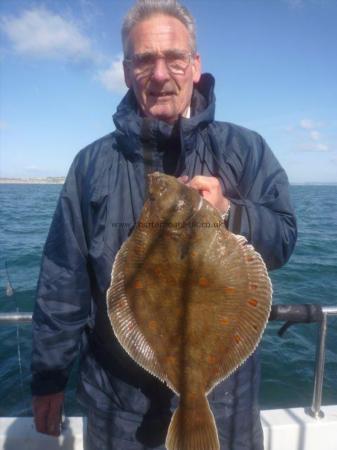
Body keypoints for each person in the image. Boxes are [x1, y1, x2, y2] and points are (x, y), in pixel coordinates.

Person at [31, 1, 297, 449]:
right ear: (126, 71)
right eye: (144, 60)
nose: (159, 74)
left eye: (174, 58)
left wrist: (232, 210)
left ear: (195, 66)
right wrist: (49, 376)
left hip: (225, 405)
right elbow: (64, 279)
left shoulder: (246, 150)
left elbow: (284, 238)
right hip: (117, 406)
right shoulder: (92, 166)